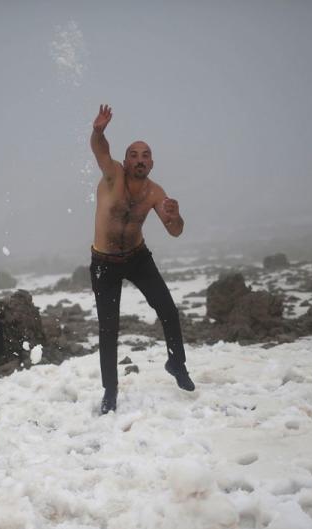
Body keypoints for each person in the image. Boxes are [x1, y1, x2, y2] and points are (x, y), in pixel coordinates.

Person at [89, 104, 195, 414]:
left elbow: (175, 230)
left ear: (151, 163)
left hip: (137, 257)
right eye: (133, 154)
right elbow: (100, 151)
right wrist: (98, 132)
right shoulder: (112, 176)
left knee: (168, 310)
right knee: (109, 327)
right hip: (104, 262)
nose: (139, 159)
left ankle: (177, 364)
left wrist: (176, 217)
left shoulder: (155, 192)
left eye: (145, 155)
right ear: (126, 160)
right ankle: (110, 390)